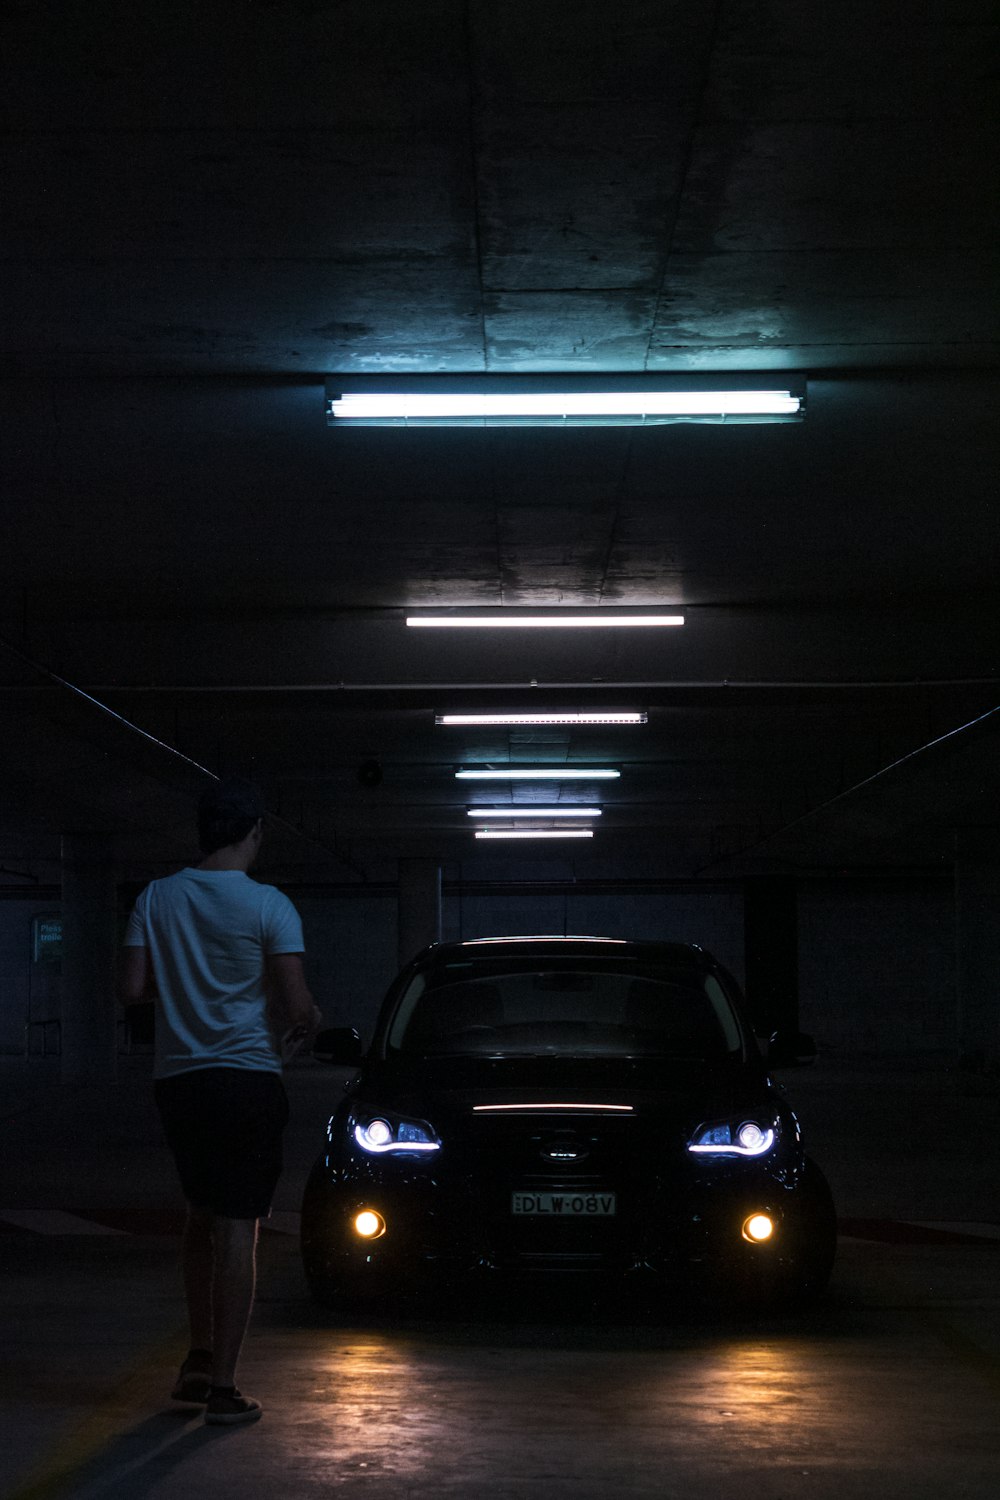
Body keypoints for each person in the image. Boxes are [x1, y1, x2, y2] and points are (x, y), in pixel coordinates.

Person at [118, 778, 321, 1426]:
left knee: (199, 1216)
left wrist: (186, 994)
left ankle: (198, 1358)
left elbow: (131, 988)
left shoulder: (156, 897)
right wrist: (310, 1017)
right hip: (244, 1079)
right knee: (239, 1230)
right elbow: (294, 1006)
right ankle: (224, 1391)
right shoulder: (269, 905)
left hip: (179, 1081)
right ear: (253, 831)